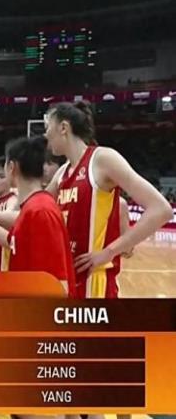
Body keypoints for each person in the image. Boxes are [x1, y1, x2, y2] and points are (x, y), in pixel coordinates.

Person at [45, 101, 172, 298]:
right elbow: (33, 211)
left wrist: (109, 251)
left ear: (63, 127)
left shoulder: (102, 159)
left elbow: (161, 209)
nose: (45, 135)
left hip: (96, 284)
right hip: (67, 281)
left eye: (47, 127)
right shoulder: (61, 173)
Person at [0, 137, 75, 295]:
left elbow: (59, 285)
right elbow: (9, 240)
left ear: (12, 167)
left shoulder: (41, 211)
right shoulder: (32, 207)